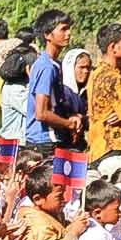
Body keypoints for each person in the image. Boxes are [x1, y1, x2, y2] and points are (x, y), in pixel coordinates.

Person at [85, 23, 121, 176]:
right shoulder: (116, 78)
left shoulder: (95, 74)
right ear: (113, 48)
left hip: (96, 149)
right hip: (114, 149)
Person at [25, 9, 83, 156]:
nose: (68, 33)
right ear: (47, 35)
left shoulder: (52, 64)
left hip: (45, 140)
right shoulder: (46, 67)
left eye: (69, 28)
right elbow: (41, 113)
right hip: (44, 141)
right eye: (63, 29)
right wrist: (68, 124)